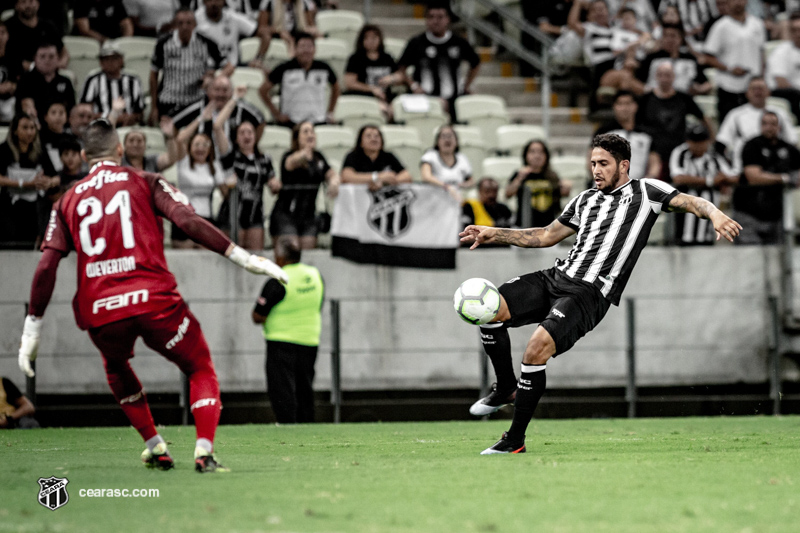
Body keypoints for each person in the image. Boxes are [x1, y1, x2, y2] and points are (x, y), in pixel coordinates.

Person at [17, 118, 288, 472]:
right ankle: (203, 452)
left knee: (116, 367)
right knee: (199, 366)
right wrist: (244, 257)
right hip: (153, 298)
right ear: (119, 150)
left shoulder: (66, 200)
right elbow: (188, 222)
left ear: (84, 156)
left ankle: (155, 445)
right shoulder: (143, 181)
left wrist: (32, 328)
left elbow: (46, 266)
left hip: (101, 308)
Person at [459, 133, 742, 454]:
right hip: (556, 276)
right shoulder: (584, 199)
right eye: (593, 163)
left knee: (535, 349)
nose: (596, 169)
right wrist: (494, 233)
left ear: (623, 165)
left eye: (603, 164)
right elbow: (544, 236)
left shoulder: (646, 191)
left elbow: (691, 201)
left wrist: (716, 214)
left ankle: (514, 440)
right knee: (491, 307)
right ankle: (506, 387)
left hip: (589, 293)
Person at [251, 238, 324, 423]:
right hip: (309, 340)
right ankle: (307, 426)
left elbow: (258, 315)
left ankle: (287, 425)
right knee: (305, 387)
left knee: (281, 388)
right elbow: (319, 301)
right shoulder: (315, 275)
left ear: (280, 257)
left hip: (281, 341)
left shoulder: (279, 279)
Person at [395, 3, 480, 120]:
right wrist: (413, 85)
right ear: (426, 19)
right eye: (431, 17)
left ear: (448, 19)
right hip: (425, 100)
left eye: (440, 17)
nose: (435, 21)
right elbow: (401, 68)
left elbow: (475, 63)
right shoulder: (416, 42)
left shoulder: (458, 42)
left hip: (452, 101)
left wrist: (466, 85)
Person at [271, 121, 339, 262]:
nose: (310, 135)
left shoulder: (319, 158)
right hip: (286, 214)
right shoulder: (289, 155)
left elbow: (331, 173)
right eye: (305, 132)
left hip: (308, 216)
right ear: (297, 138)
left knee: (308, 257)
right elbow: (290, 162)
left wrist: (334, 182)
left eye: (312, 132)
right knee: (290, 252)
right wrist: (304, 153)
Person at [149, 7, 230, 123]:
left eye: (188, 23)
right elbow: (153, 75)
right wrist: (154, 107)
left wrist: (213, 78)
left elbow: (229, 66)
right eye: (180, 23)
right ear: (175, 25)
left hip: (196, 101)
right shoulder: (163, 44)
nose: (184, 27)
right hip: (168, 100)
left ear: (195, 24)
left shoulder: (206, 42)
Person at [173, 99, 235, 248]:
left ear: (210, 149)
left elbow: (225, 193)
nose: (200, 148)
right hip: (184, 217)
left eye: (204, 145)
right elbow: (180, 139)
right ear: (190, 147)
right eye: (196, 145)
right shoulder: (184, 161)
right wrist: (200, 118)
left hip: (206, 218)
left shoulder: (214, 166)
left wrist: (230, 183)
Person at [733, 111, 800, 245]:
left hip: (777, 215)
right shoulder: (752, 145)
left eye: (773, 124)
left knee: (778, 257)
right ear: (760, 126)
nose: (769, 127)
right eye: (765, 124)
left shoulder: (789, 148)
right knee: (750, 254)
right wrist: (784, 179)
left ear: (779, 127)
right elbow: (753, 177)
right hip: (748, 212)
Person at [669, 122, 738, 245]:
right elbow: (678, 178)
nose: (698, 145)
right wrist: (710, 181)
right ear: (688, 141)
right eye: (694, 141)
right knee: (684, 243)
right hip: (685, 213)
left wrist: (724, 180)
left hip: (709, 214)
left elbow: (733, 176)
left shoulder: (714, 157)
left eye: (701, 141)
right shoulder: (680, 153)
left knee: (705, 244)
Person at [635, 62, 709, 175]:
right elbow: (636, 123)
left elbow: (703, 117)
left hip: (678, 148)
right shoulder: (646, 99)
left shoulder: (683, 98)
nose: (664, 79)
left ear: (674, 77)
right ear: (656, 77)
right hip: (654, 150)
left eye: (668, 75)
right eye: (661, 75)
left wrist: (710, 140)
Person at [702, 0, 766, 122]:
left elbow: (761, 53)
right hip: (728, 87)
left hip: (752, 86)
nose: (738, 3)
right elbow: (708, 56)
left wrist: (761, 78)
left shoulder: (757, 24)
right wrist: (729, 69)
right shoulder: (720, 26)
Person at [0, 112, 57, 249]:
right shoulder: (4, 150)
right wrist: (25, 184)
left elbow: (56, 177)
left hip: (34, 208)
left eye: (32, 128)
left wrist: (48, 182)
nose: (30, 132)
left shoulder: (40, 150)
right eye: (25, 128)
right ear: (15, 130)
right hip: (10, 207)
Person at [259, 32, 339, 127]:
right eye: (302, 46)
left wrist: (330, 112)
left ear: (315, 49)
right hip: (291, 123)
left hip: (318, 121)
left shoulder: (324, 68)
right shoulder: (284, 68)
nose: (306, 50)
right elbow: (263, 90)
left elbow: (336, 87)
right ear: (295, 49)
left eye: (309, 46)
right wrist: (276, 114)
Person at [717, 77, 797, 172]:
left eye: (761, 89)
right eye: (754, 89)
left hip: (775, 165)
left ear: (769, 92)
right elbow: (721, 144)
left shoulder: (780, 113)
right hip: (744, 166)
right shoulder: (735, 115)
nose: (757, 92)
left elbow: (791, 141)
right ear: (746, 93)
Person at [220, 121, 276, 249]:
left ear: (256, 136)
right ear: (236, 138)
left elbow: (272, 181)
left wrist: (274, 184)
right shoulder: (231, 158)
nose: (247, 136)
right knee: (233, 255)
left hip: (255, 213)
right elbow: (218, 128)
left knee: (255, 256)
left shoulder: (264, 159)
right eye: (242, 133)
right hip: (232, 213)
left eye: (250, 132)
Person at [172, 74, 264, 148]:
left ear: (232, 92)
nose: (220, 94)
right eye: (217, 90)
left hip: (233, 160)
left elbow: (261, 120)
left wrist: (253, 146)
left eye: (225, 90)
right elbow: (174, 124)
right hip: (203, 159)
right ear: (208, 92)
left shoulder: (240, 107)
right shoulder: (198, 108)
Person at [594, 90, 661, 180]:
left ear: (635, 106)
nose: (624, 108)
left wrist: (648, 179)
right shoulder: (603, 132)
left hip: (637, 187)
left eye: (628, 104)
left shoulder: (647, 134)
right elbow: (592, 159)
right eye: (620, 104)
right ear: (614, 107)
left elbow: (655, 163)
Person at [344, 24, 404, 122]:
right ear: (362, 40)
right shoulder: (356, 59)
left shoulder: (387, 57)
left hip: (387, 97)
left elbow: (401, 76)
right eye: (367, 38)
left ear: (380, 39)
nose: (371, 41)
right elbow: (349, 83)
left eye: (374, 38)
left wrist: (391, 78)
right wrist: (371, 89)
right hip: (364, 97)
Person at [505, 140, 571, 229]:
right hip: (524, 226)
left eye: (541, 152)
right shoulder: (520, 174)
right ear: (526, 155)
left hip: (548, 228)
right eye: (532, 152)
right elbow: (508, 194)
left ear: (546, 156)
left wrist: (566, 187)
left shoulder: (552, 175)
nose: (537, 156)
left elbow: (563, 194)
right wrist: (519, 178)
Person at [80, 42, 145, 126]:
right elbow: (85, 110)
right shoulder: (93, 79)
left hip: (128, 126)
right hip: (101, 126)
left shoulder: (133, 80)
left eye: (114, 58)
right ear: (100, 62)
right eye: (106, 59)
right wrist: (111, 117)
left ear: (121, 60)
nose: (110, 62)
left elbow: (139, 111)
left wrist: (131, 117)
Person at [635, 23, 710, 95]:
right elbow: (638, 81)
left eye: (673, 36)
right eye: (665, 36)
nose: (669, 39)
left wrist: (699, 89)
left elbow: (706, 84)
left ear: (680, 39)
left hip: (683, 100)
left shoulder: (690, 59)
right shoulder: (651, 58)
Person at [568, 0, 615, 111]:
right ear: (590, 14)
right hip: (598, 66)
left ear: (608, 11)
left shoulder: (615, 29)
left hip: (616, 63)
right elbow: (572, 23)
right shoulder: (589, 28)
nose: (599, 13)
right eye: (595, 10)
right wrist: (577, 4)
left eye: (602, 9)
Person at [15, 42, 75, 126]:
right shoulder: (26, 80)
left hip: (62, 128)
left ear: (58, 58)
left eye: (51, 56)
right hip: (35, 127)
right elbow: (25, 106)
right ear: (35, 58)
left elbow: (72, 109)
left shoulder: (65, 81)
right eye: (42, 56)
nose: (47, 60)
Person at [195, 0, 269, 68]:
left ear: (224, 1)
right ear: (204, 2)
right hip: (205, 69)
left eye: (217, 0)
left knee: (261, 70)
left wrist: (258, 58)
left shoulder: (233, 17)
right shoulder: (194, 20)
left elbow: (264, 34)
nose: (214, 3)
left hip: (233, 67)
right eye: (210, 0)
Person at [340, 124, 412, 189]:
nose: (373, 139)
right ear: (361, 142)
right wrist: (376, 177)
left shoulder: (388, 156)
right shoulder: (353, 156)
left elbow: (406, 175)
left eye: (377, 136)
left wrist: (386, 182)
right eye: (369, 136)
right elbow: (346, 177)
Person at [5, 0, 68, 74]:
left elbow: (63, 51)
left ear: (38, 4)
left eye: (31, 2)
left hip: (49, 72)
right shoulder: (8, 28)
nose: (28, 6)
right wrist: (35, 67)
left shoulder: (48, 26)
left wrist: (60, 63)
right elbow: (8, 57)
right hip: (20, 73)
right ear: (16, 6)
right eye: (23, 2)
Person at [420, 125, 473, 203]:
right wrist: (446, 187)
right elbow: (426, 177)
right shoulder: (430, 156)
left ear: (456, 141)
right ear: (437, 141)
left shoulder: (462, 158)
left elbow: (471, 181)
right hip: (435, 195)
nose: (447, 140)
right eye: (443, 136)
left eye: (450, 136)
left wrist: (463, 185)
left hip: (458, 195)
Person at [767, 12, 800, 123]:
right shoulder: (781, 52)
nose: (798, 34)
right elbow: (781, 82)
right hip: (787, 94)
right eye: (794, 30)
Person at [461, 177, 512, 244]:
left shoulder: (504, 209)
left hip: (501, 249)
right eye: (487, 191)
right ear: (479, 191)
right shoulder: (469, 207)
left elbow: (510, 235)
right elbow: (465, 235)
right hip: (476, 249)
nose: (491, 195)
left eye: (494, 191)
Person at [0, 21, 19, 124]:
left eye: (2, 33)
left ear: (7, 36)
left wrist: (12, 86)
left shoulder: (13, 58)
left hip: (9, 100)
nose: (0, 37)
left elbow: (21, 83)